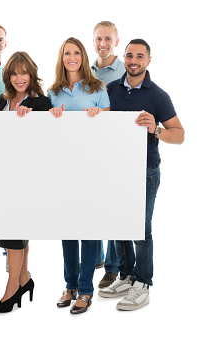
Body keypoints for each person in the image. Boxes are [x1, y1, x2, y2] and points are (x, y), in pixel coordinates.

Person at [98, 39, 184, 311]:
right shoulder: (110, 89)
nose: (133, 61)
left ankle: (143, 283)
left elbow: (179, 135)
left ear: (148, 60)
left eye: (140, 56)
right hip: (116, 171)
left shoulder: (158, 95)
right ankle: (125, 276)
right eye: (129, 56)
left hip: (145, 171)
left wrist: (155, 129)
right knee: (119, 225)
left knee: (141, 230)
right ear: (123, 58)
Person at [48, 37, 110, 314]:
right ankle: (70, 285)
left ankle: (85, 290)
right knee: (68, 230)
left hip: (92, 168)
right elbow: (47, 131)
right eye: (66, 53)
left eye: (76, 53)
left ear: (83, 57)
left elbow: (110, 129)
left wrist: (100, 113)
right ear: (61, 58)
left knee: (88, 229)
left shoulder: (98, 88)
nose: (71, 57)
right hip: (62, 169)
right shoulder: (54, 92)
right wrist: (51, 114)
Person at [0, 51, 52, 313]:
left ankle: (12, 286)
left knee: (13, 227)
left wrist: (31, 116)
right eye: (14, 73)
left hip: (28, 174)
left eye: (24, 73)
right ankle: (24, 279)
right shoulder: (1, 100)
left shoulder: (41, 102)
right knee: (17, 225)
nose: (19, 78)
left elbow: (46, 138)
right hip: (5, 170)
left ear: (32, 75)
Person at [91, 21, 126, 289]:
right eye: (98, 39)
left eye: (107, 39)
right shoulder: (87, 70)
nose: (103, 44)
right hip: (92, 146)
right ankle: (100, 256)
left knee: (115, 206)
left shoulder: (125, 70)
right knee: (95, 202)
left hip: (116, 145)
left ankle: (113, 268)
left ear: (115, 41)